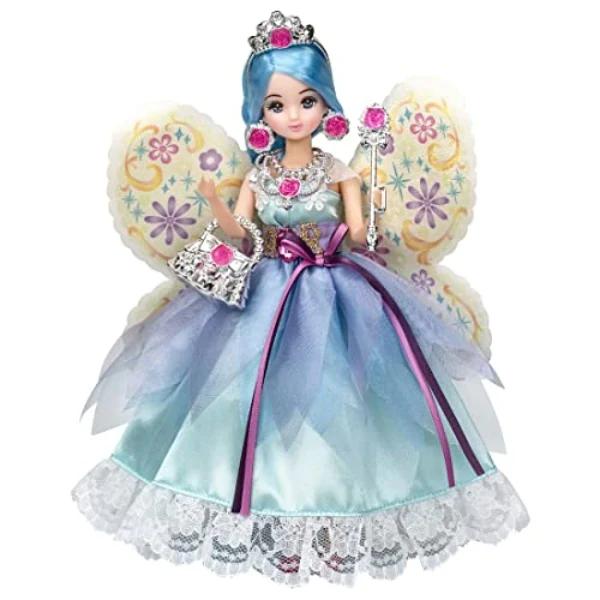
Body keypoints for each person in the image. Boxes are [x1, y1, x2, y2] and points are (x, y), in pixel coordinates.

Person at [72, 10, 529, 587]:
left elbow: (358, 234)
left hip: (339, 289)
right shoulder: (259, 176)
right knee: (244, 391)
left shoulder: (339, 172)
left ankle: (342, 515)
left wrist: (372, 213)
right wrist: (214, 204)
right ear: (259, 113)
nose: (293, 115)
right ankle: (260, 510)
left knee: (352, 396)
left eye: (306, 101)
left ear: (325, 104)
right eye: (277, 104)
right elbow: (243, 234)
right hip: (268, 289)